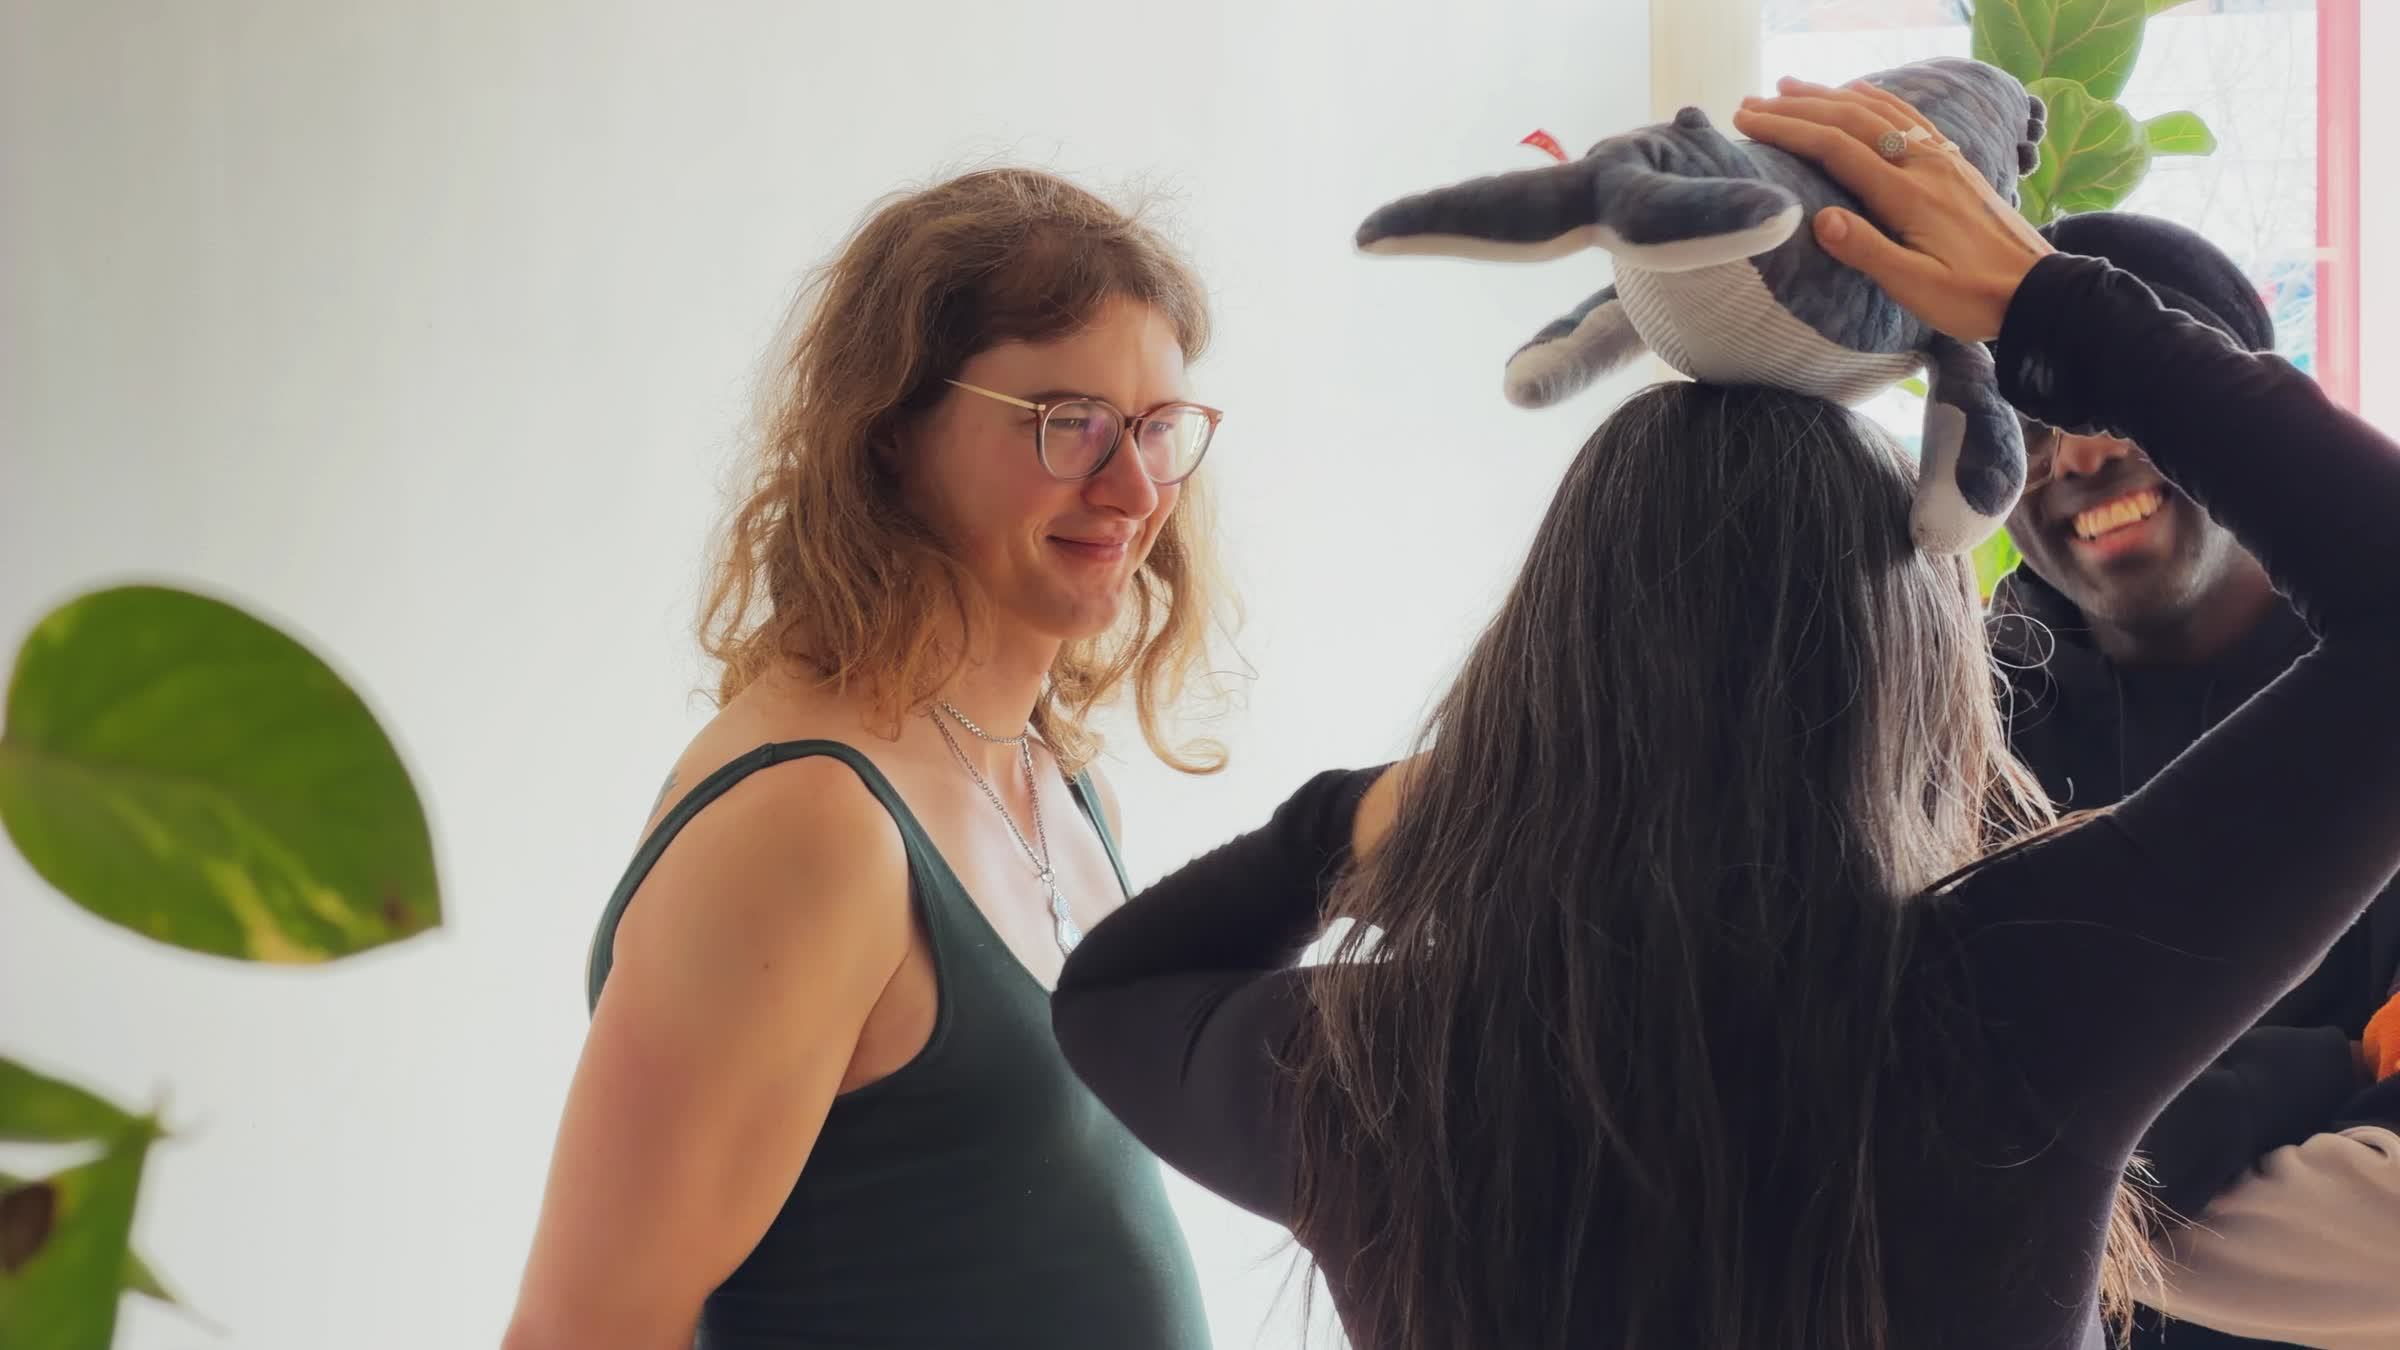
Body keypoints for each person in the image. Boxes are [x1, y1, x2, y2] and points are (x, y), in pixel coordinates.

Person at [1049, 77, 2400, 1350]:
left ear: (1543, 673)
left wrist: (1358, 816)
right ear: (1918, 682)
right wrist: (2050, 306)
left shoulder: (1383, 1074)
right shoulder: (2019, 1003)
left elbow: (1112, 993)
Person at [504, 167, 1228, 1350]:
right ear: (892, 432)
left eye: (1157, 428)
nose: (1134, 488)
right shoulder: (811, 824)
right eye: (1070, 423)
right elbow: (580, 1334)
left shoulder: (1056, 782)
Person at [1987, 210, 2400, 1350]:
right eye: (2027, 421)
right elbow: (1911, 1116)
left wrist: (2038, 1161)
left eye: (2121, 399)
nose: (2078, 455)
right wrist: (2322, 1068)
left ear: (2238, 418)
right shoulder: (1947, 729)